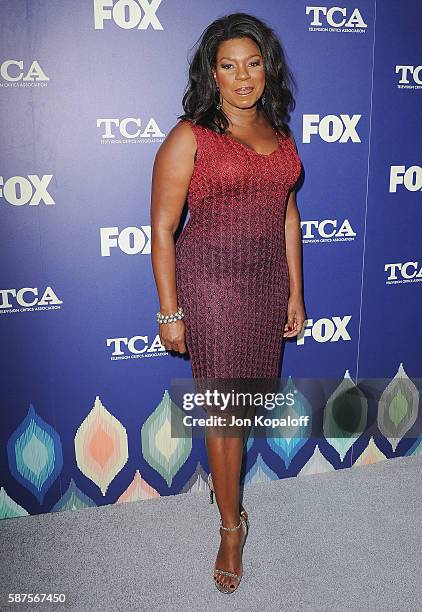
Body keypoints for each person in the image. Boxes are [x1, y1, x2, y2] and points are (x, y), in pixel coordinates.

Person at [150, 12, 306, 594]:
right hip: (211, 287)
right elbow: (162, 229)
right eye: (228, 65)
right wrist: (171, 311)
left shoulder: (279, 131)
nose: (243, 76)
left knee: (244, 405)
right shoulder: (191, 135)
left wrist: (295, 289)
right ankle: (230, 528)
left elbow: (287, 211)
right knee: (223, 409)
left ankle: (224, 483)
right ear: (211, 73)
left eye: (253, 62)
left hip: (266, 286)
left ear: (268, 66)